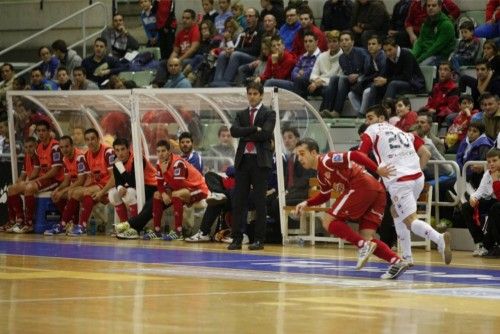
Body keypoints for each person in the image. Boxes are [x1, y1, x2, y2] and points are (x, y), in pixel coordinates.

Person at [294, 138, 411, 279]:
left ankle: (363, 245)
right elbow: (325, 195)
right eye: (297, 155)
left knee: (328, 221)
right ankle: (397, 261)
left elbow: (355, 155)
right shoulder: (321, 175)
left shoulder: (327, 159)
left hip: (362, 185)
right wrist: (306, 203)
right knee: (367, 236)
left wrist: (377, 169)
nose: (300, 158)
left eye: (302, 153)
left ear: (313, 152)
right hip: (377, 191)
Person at [359, 105, 452, 266]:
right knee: (396, 212)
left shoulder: (372, 131)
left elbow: (360, 155)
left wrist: (375, 170)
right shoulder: (403, 132)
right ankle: (407, 257)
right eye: (367, 118)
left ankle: (439, 238)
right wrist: (417, 171)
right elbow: (426, 153)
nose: (367, 122)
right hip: (417, 177)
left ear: (382, 118)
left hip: (399, 180)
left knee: (410, 220)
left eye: (370, 117)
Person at [228, 81, 275, 250]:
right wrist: (255, 129)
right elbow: (234, 131)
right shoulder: (241, 113)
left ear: (261, 95)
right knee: (238, 200)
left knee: (259, 201)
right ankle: (236, 238)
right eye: (250, 93)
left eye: (255, 94)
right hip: (243, 161)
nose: (252, 96)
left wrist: (246, 133)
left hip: (260, 162)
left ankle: (258, 239)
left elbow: (267, 134)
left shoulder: (269, 113)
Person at [9, 120, 64, 233]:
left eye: (43, 130)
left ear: (49, 132)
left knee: (30, 188)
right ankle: (19, 220)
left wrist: (35, 180)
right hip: (43, 180)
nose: (41, 133)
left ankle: (29, 223)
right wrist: (26, 181)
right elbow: (37, 168)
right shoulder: (38, 147)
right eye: (38, 131)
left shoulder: (55, 147)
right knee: (12, 189)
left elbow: (55, 171)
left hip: (55, 180)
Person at [150, 139, 209, 240]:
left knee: (176, 194)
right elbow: (159, 184)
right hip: (184, 189)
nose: (161, 154)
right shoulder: (160, 163)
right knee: (157, 194)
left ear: (169, 152)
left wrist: (165, 173)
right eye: (158, 151)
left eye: (163, 151)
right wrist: (163, 194)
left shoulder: (178, 163)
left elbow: (178, 185)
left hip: (198, 188)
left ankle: (178, 232)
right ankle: (157, 230)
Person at [63, 128, 116, 236]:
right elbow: (89, 179)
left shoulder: (108, 152)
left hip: (110, 186)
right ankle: (64, 224)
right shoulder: (86, 155)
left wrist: (102, 192)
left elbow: (114, 178)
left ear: (98, 139)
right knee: (75, 192)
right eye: (87, 139)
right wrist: (76, 190)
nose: (90, 142)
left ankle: (82, 227)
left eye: (93, 139)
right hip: (97, 186)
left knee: (86, 192)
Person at [44, 135, 89, 235]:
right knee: (56, 195)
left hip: (86, 186)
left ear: (72, 146)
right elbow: (66, 180)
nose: (64, 149)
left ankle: (64, 224)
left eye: (67, 146)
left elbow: (81, 180)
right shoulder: (65, 159)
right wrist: (58, 189)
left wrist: (64, 191)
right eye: (61, 147)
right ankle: (69, 223)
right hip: (76, 186)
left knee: (71, 192)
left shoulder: (80, 157)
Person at [108, 137, 157, 225]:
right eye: (117, 150)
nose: (120, 153)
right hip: (138, 186)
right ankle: (124, 225)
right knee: (113, 194)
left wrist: (120, 167)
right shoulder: (117, 161)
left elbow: (133, 182)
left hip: (152, 186)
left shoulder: (137, 159)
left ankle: (134, 226)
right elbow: (118, 180)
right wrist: (119, 188)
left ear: (128, 149)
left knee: (129, 193)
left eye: (123, 149)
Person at [461, 148, 500, 257]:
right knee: (466, 207)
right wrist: (473, 198)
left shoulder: (495, 175)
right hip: (492, 202)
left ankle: (489, 245)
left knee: (496, 207)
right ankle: (480, 242)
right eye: (489, 161)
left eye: (495, 160)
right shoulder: (488, 174)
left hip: (497, 204)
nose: (491, 164)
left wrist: (496, 180)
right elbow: (479, 191)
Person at [2, 137, 39, 232]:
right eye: (26, 147)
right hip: (30, 181)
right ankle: (17, 220)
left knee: (27, 187)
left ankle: (29, 223)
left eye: (31, 146)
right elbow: (22, 175)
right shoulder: (27, 157)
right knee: (11, 189)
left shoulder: (36, 155)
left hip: (38, 181)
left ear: (36, 145)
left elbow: (35, 173)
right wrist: (16, 185)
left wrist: (25, 182)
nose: (28, 149)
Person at [411, 0, 455, 66]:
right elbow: (420, 42)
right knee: (406, 55)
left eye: (434, 5)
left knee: (420, 66)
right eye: (428, 6)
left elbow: (435, 48)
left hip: (441, 57)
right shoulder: (425, 23)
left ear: (440, 7)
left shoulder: (446, 25)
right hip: (426, 54)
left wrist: (418, 60)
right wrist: (412, 56)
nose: (430, 8)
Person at [423, 61, 460, 125]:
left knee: (425, 119)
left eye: (445, 70)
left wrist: (436, 111)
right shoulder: (436, 87)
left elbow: (451, 109)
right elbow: (429, 103)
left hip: (442, 116)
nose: (442, 72)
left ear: (451, 73)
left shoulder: (454, 88)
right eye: (440, 69)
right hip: (432, 113)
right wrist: (426, 109)